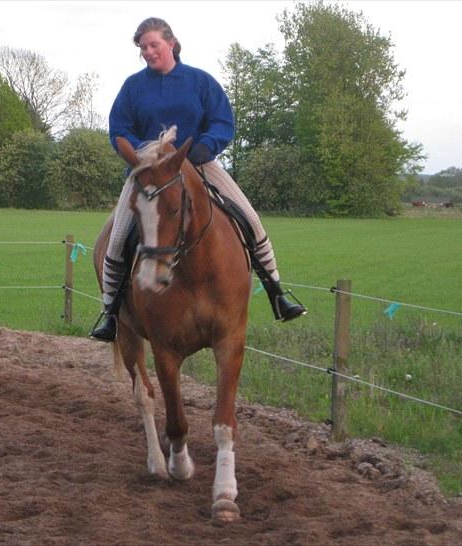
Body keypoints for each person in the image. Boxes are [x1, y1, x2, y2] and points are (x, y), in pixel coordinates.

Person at [91, 17, 305, 342]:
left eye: (154, 45)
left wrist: (204, 148)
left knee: (251, 220)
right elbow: (119, 129)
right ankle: (110, 311)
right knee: (117, 238)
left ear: (171, 43)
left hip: (199, 166)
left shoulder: (200, 81)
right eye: (143, 47)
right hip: (148, 176)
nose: (148, 52)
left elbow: (222, 121)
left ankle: (277, 292)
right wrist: (144, 155)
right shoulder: (132, 87)